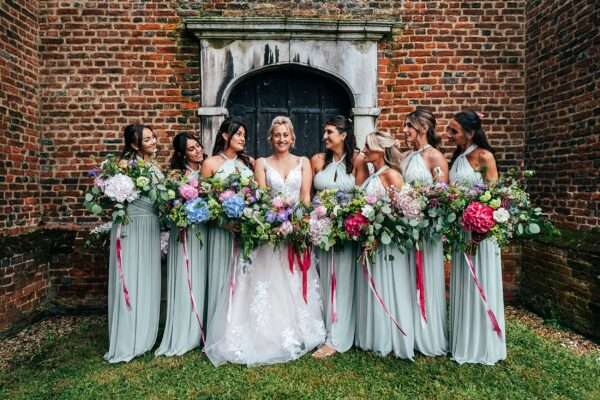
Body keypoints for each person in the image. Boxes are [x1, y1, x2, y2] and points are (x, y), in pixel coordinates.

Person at [204, 116, 325, 366]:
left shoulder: (303, 162)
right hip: (269, 232)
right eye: (277, 135)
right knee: (267, 284)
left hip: (294, 231)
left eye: (285, 135)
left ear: (292, 138)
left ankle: (299, 331)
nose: (281, 139)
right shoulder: (261, 163)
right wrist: (274, 223)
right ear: (271, 138)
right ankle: (266, 335)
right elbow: (260, 198)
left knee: (292, 282)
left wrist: (296, 225)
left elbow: (305, 197)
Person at [446, 110, 506, 365]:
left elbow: (495, 199)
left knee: (481, 279)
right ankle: (463, 338)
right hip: (463, 229)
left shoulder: (484, 156)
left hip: (481, 232)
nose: (448, 136)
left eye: (454, 131)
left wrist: (482, 229)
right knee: (463, 281)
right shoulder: (458, 156)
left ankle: (483, 343)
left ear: (470, 133)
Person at [105, 124, 163, 363]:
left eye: (153, 137)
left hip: (150, 226)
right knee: (130, 278)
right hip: (131, 226)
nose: (153, 141)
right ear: (133, 144)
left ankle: (145, 336)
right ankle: (128, 339)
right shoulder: (123, 166)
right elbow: (112, 196)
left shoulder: (155, 166)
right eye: (147, 139)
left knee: (147, 278)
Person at [310, 115, 367, 358]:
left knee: (341, 281)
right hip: (320, 229)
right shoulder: (317, 160)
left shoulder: (358, 160)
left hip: (344, 232)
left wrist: (345, 219)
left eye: (330, 132)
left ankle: (338, 335)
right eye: (324, 132)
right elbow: (311, 195)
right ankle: (318, 330)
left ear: (343, 135)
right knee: (321, 281)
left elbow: (362, 198)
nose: (325, 137)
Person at [354, 131, 414, 360]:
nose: (365, 150)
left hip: (385, 244)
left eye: (368, 146)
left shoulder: (391, 175)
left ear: (381, 149)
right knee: (373, 283)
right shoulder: (373, 174)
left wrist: (380, 234)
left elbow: (404, 214)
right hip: (371, 240)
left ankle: (391, 336)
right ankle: (374, 335)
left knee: (388, 284)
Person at [400, 109, 449, 356]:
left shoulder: (435, 157)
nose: (404, 131)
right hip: (406, 226)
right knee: (407, 279)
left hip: (427, 229)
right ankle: (409, 330)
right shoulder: (406, 157)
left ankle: (428, 334)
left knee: (425, 277)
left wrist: (422, 204)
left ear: (422, 128)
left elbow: (442, 195)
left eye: (408, 126)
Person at [155, 133, 207, 357]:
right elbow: (168, 205)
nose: (198, 151)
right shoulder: (176, 175)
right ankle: (185, 329)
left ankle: (204, 328)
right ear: (182, 154)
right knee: (187, 279)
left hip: (205, 230)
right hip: (185, 231)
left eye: (198, 146)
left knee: (204, 278)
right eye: (192, 149)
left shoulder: (209, 168)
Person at [201, 118, 254, 332]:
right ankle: (218, 328)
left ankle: (242, 326)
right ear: (225, 135)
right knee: (222, 276)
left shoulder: (249, 162)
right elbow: (203, 201)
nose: (242, 138)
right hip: (221, 231)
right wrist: (224, 223)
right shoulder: (211, 164)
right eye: (238, 134)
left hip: (246, 230)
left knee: (245, 277)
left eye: (244, 135)